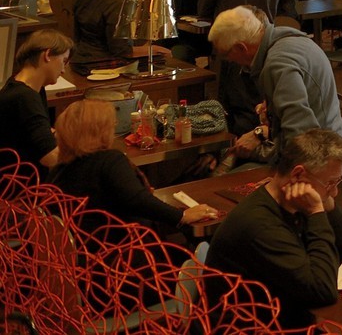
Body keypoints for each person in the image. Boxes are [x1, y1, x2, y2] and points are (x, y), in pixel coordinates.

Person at [205, 129, 342, 331]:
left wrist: (328, 206)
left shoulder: (295, 204)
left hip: (287, 317)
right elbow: (322, 291)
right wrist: (316, 213)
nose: (334, 191)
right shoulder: (259, 224)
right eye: (330, 182)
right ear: (298, 174)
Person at [49, 99, 218, 236]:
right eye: (110, 127)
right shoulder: (109, 160)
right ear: (97, 131)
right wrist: (181, 216)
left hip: (77, 258)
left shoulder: (58, 170)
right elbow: (137, 199)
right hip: (121, 257)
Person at [210, 6, 342, 163]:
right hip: (329, 142)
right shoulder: (288, 40)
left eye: (227, 55)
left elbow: (300, 133)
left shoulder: (277, 64)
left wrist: (286, 180)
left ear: (242, 47)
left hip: (321, 158)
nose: (230, 61)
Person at [0, 30, 71, 169]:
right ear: (47, 55)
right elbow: (50, 158)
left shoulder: (26, 87)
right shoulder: (23, 97)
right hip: (23, 185)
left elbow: (41, 132)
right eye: (64, 61)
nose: (63, 70)